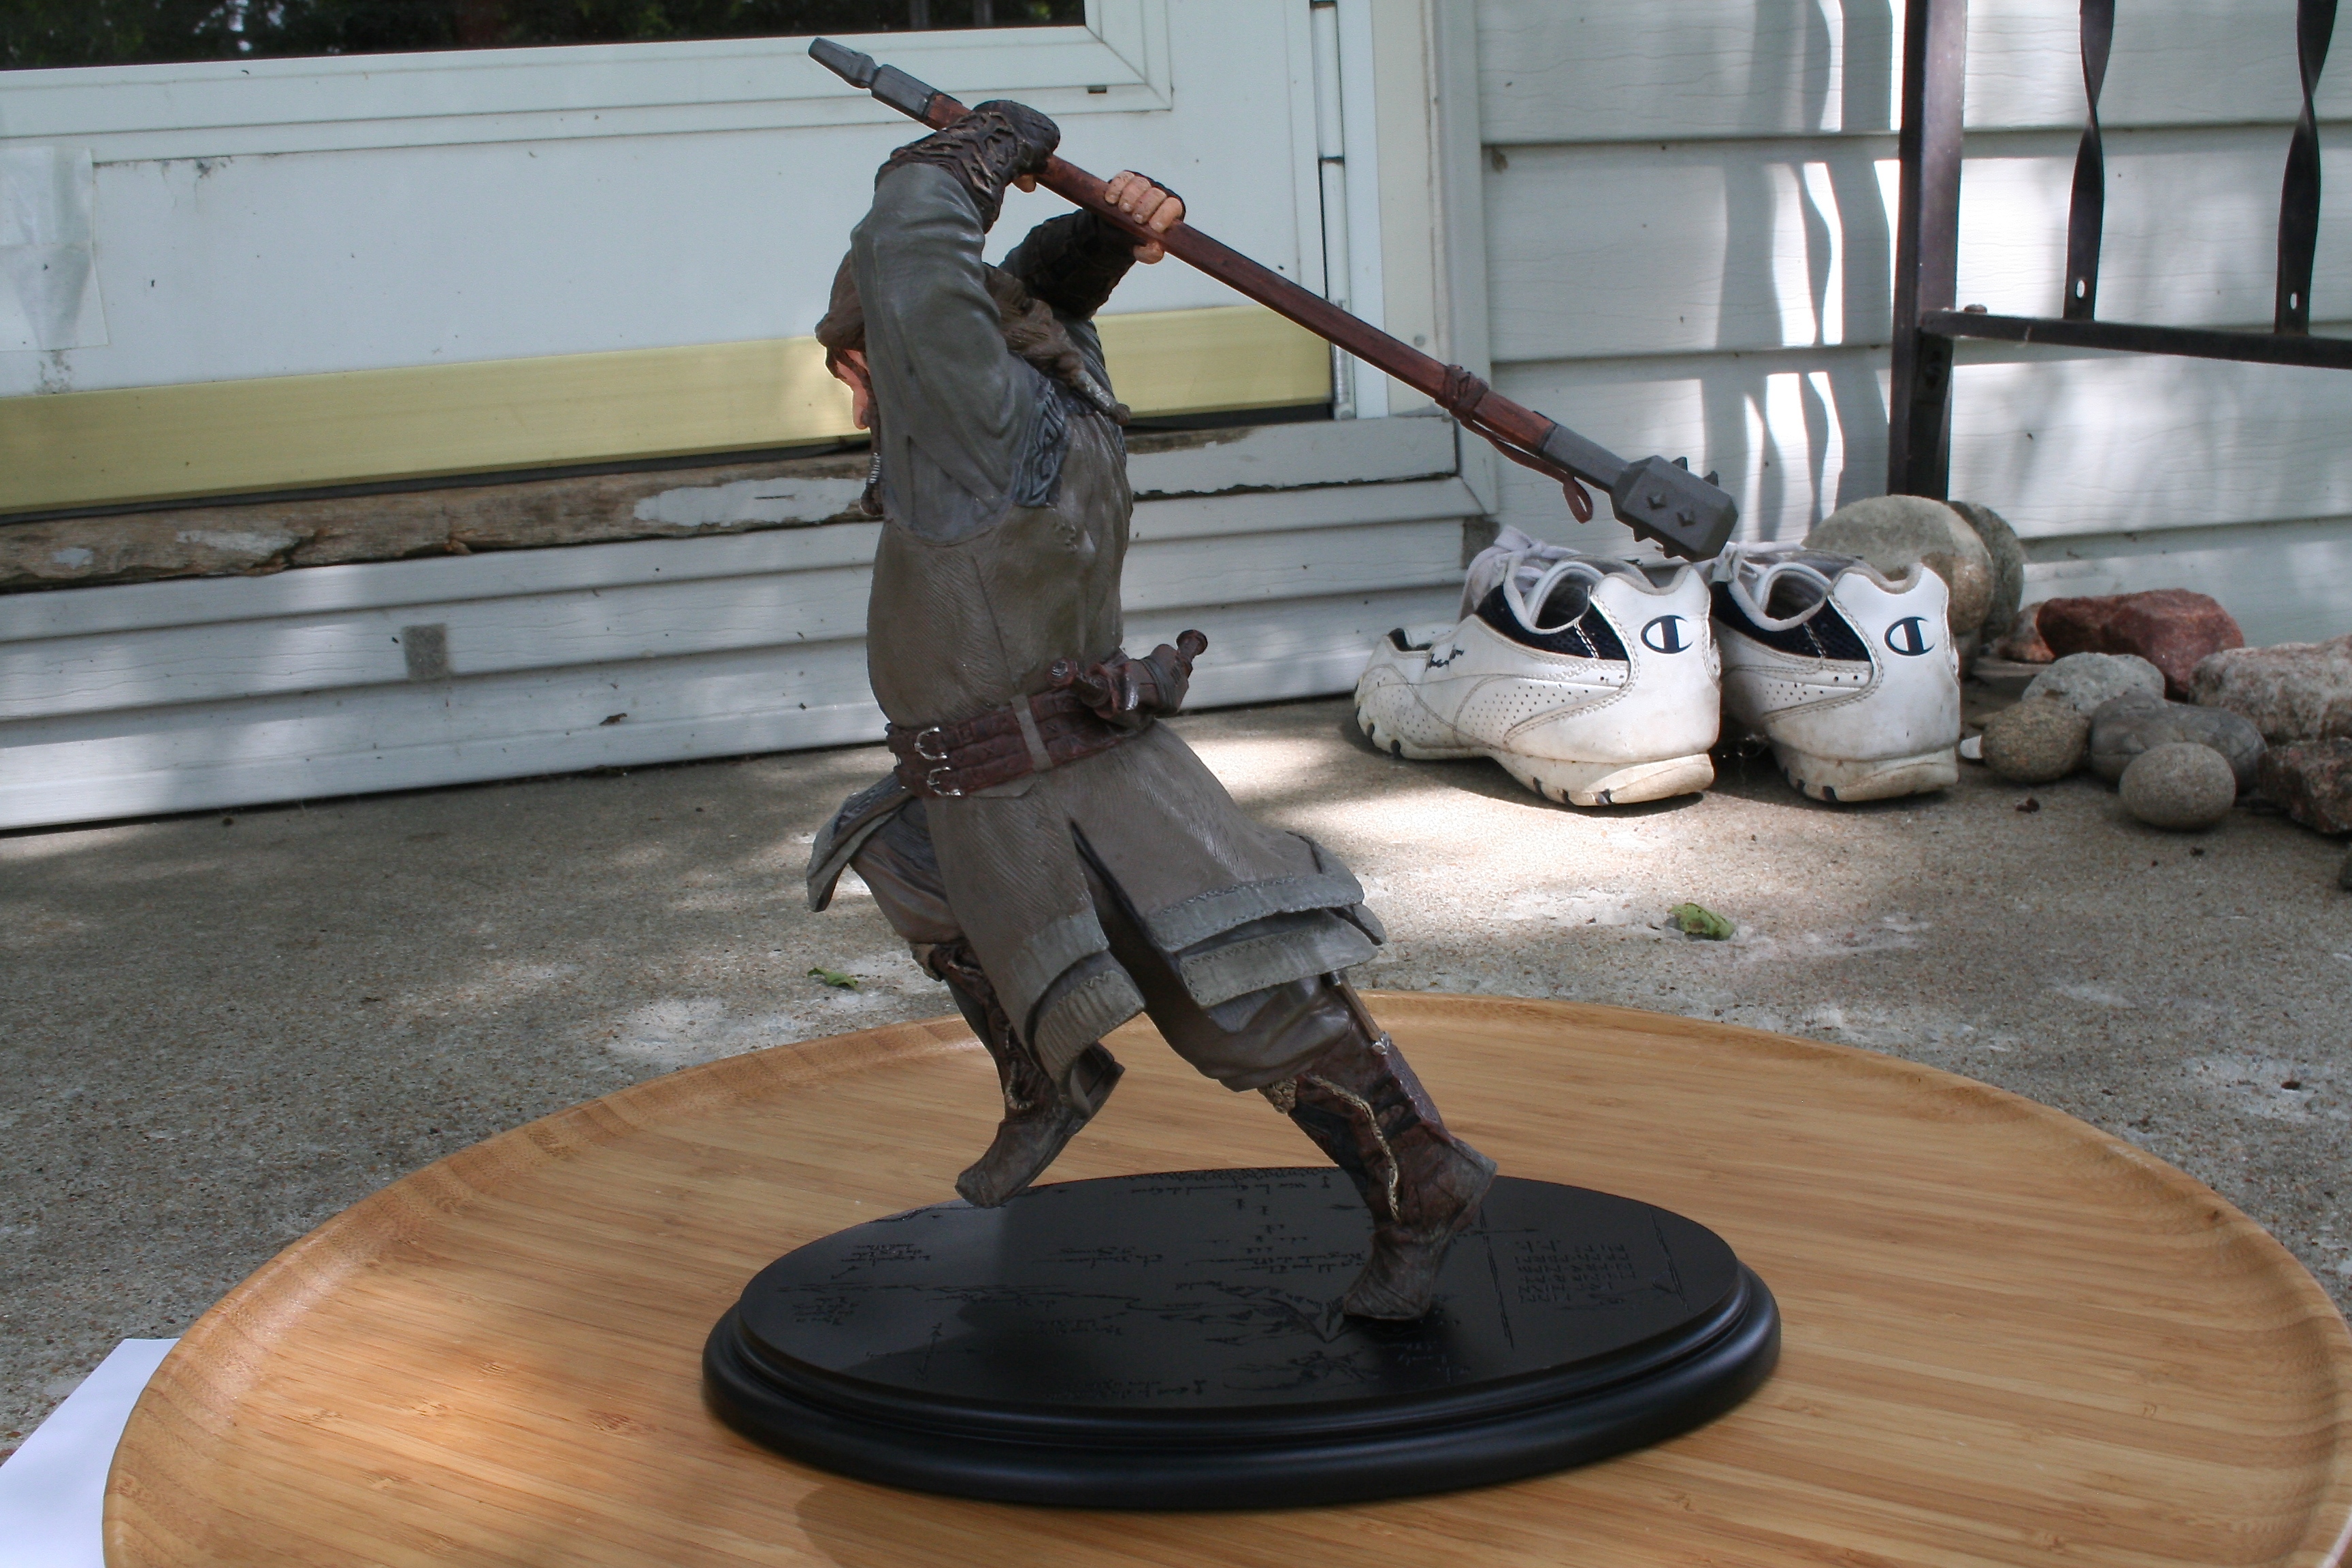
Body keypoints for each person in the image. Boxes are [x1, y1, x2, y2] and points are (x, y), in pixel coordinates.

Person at [802, 99, 1493, 1319]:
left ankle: (1418, 1177)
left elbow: (914, 250)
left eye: (864, 370)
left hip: (1072, 793)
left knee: (1249, 1012)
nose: (863, 407)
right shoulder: (1046, 375)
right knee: (899, 852)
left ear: (914, 350)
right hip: (987, 785)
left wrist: (969, 151)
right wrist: (1103, 234)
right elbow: (1032, 297)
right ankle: (1050, 1078)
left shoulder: (969, 431)